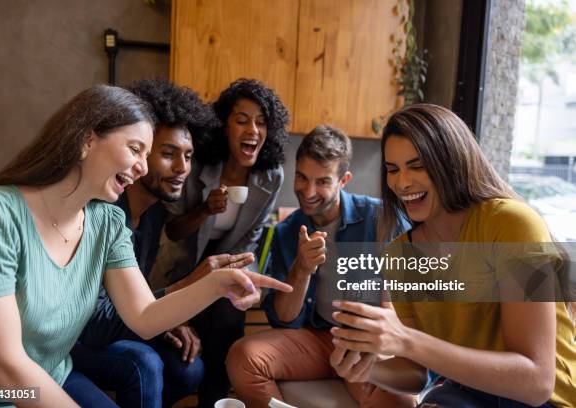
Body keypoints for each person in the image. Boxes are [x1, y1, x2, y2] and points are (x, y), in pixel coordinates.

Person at [0, 85, 292, 408]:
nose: (143, 167)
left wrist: (217, 284)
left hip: (54, 376)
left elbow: (145, 316)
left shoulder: (107, 221)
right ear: (87, 140)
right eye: (135, 150)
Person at [329, 104, 576, 408]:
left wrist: (407, 340)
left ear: (451, 162)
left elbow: (536, 382)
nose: (402, 183)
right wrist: (367, 368)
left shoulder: (513, 224)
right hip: (467, 393)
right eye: (393, 170)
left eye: (417, 166)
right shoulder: (401, 255)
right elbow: (417, 373)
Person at [70, 79, 255, 407]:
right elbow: (95, 323)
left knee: (188, 369)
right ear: (138, 155)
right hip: (78, 336)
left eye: (188, 156)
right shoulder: (105, 213)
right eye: (168, 154)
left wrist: (164, 320)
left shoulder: (154, 216)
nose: (183, 168)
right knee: (145, 365)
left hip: (117, 322)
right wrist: (188, 286)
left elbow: (132, 300)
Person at [225, 125, 415, 408]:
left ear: (344, 180)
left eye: (323, 181)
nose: (308, 191)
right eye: (302, 177)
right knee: (243, 358)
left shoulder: (382, 218)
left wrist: (384, 331)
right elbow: (284, 319)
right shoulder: (287, 231)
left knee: (400, 401)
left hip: (366, 340)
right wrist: (302, 268)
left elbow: (416, 295)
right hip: (316, 338)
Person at [163, 78, 290, 407]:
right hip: (182, 258)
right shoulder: (198, 165)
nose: (253, 129)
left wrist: (226, 276)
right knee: (187, 341)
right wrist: (205, 210)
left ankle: (214, 401)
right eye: (242, 119)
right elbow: (174, 231)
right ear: (224, 125)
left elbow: (252, 237)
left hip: (229, 257)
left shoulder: (271, 176)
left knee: (228, 315)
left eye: (261, 122)